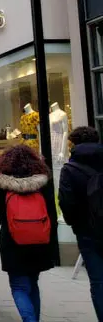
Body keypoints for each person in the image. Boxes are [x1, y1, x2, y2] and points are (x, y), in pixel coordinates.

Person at [0, 145, 59, 322]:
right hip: (39, 238)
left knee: (19, 286)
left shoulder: (0, 182)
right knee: (33, 284)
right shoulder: (44, 181)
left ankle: (30, 320)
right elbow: (52, 212)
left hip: (13, 240)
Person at [59, 126, 103, 321]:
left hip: (87, 231)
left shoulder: (70, 169)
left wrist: (75, 223)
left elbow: (66, 202)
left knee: (98, 281)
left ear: (73, 143)